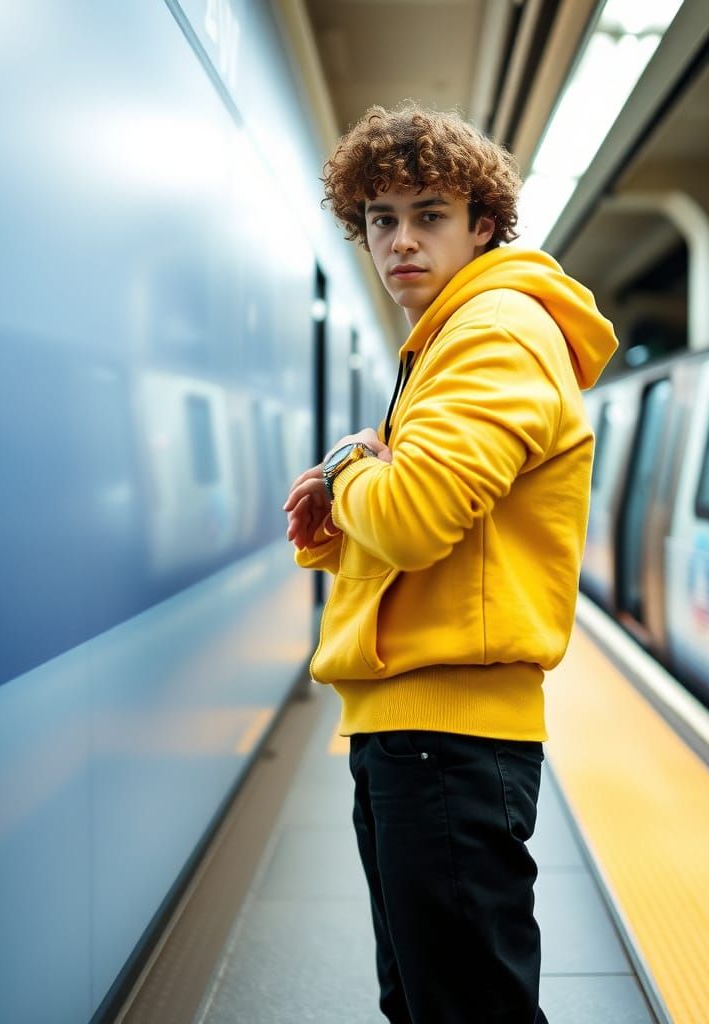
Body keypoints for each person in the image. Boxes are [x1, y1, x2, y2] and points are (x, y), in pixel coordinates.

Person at [283, 103, 617, 1024]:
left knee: (464, 1008)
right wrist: (359, 480)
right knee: (428, 1001)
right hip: (419, 726)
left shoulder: (492, 330)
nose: (400, 241)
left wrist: (353, 462)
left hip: (448, 738)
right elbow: (410, 527)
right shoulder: (441, 340)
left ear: (483, 223)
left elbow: (417, 516)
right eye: (380, 220)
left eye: (428, 213)